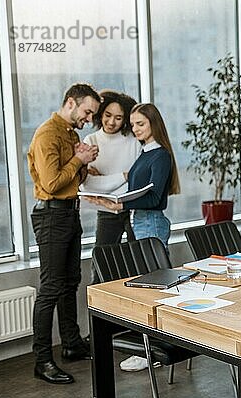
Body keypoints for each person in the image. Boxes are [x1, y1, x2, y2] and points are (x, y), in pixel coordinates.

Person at [86, 103, 180, 372]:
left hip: (150, 222)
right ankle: (152, 347)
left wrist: (120, 206)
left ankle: (152, 350)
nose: (135, 129)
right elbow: (135, 188)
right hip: (139, 221)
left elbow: (153, 197)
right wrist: (110, 198)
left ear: (153, 125)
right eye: (134, 124)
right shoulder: (145, 152)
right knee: (148, 287)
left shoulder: (159, 155)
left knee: (153, 290)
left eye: (141, 124)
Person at [28, 83, 101, 384]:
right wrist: (79, 160)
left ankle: (71, 344)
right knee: (51, 288)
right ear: (71, 103)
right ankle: (42, 361)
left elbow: (74, 180)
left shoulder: (70, 134)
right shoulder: (48, 134)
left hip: (69, 213)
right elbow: (52, 183)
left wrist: (85, 163)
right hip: (52, 215)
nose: (88, 120)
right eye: (87, 112)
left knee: (71, 281)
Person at [80, 90, 141, 284]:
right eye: (107, 116)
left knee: (140, 263)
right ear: (100, 114)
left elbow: (139, 181)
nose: (111, 122)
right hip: (106, 211)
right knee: (101, 266)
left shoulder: (134, 141)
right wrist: (124, 175)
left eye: (118, 118)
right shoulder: (91, 141)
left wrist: (106, 181)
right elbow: (90, 185)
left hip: (134, 209)